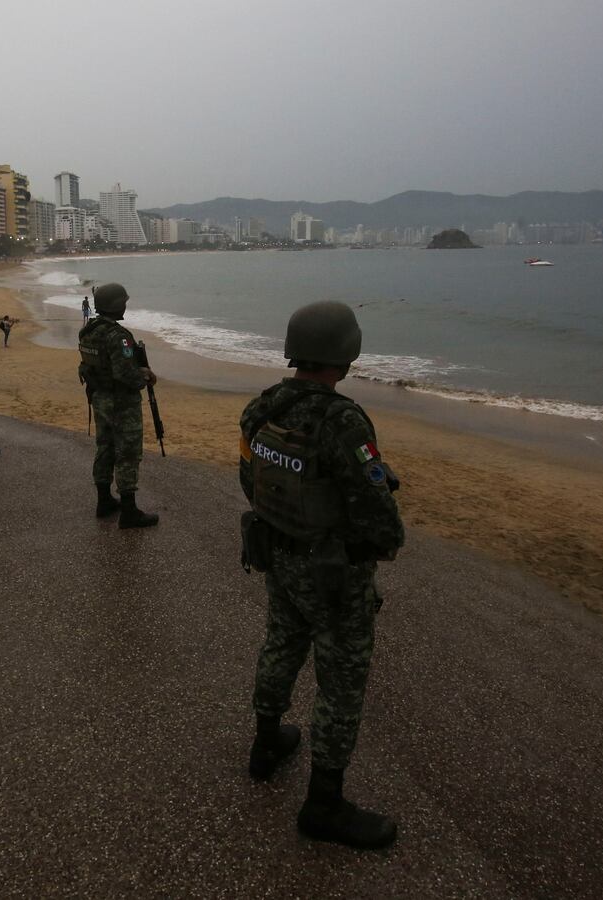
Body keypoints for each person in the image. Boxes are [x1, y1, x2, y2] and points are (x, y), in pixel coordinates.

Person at [238, 301, 405, 851]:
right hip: (332, 574)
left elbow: (251, 479)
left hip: (277, 554)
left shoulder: (262, 409)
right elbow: (380, 520)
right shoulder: (343, 421)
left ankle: (266, 745)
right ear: (346, 355)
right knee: (341, 681)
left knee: (282, 642)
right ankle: (324, 804)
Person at [77, 283, 158, 528]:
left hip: (99, 398)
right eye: (123, 301)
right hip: (121, 402)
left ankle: (104, 501)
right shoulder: (119, 336)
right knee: (128, 453)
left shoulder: (89, 330)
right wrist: (144, 376)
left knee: (105, 447)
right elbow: (126, 374)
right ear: (116, 304)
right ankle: (129, 511)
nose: (125, 305)